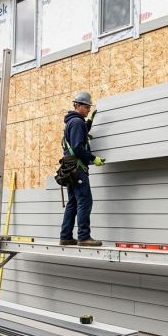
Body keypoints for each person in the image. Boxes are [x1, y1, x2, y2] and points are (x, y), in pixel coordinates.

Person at [59, 91, 105, 247]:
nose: (88, 110)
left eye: (89, 107)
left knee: (72, 202)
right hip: (78, 169)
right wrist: (93, 158)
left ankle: (65, 237)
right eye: (86, 107)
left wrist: (89, 123)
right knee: (85, 201)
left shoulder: (72, 122)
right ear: (77, 105)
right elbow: (78, 147)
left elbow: (76, 139)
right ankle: (84, 237)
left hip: (70, 169)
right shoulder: (77, 123)